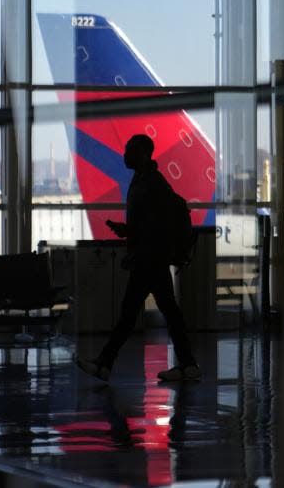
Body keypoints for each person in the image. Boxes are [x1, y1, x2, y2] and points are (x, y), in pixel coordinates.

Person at [76, 134, 200, 382]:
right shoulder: (146, 180)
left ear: (142, 153)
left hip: (149, 259)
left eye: (129, 150)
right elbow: (151, 223)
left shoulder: (151, 183)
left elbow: (154, 226)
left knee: (130, 314)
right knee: (165, 311)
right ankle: (187, 365)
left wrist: (130, 235)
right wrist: (130, 234)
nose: (124, 154)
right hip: (150, 257)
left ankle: (105, 363)